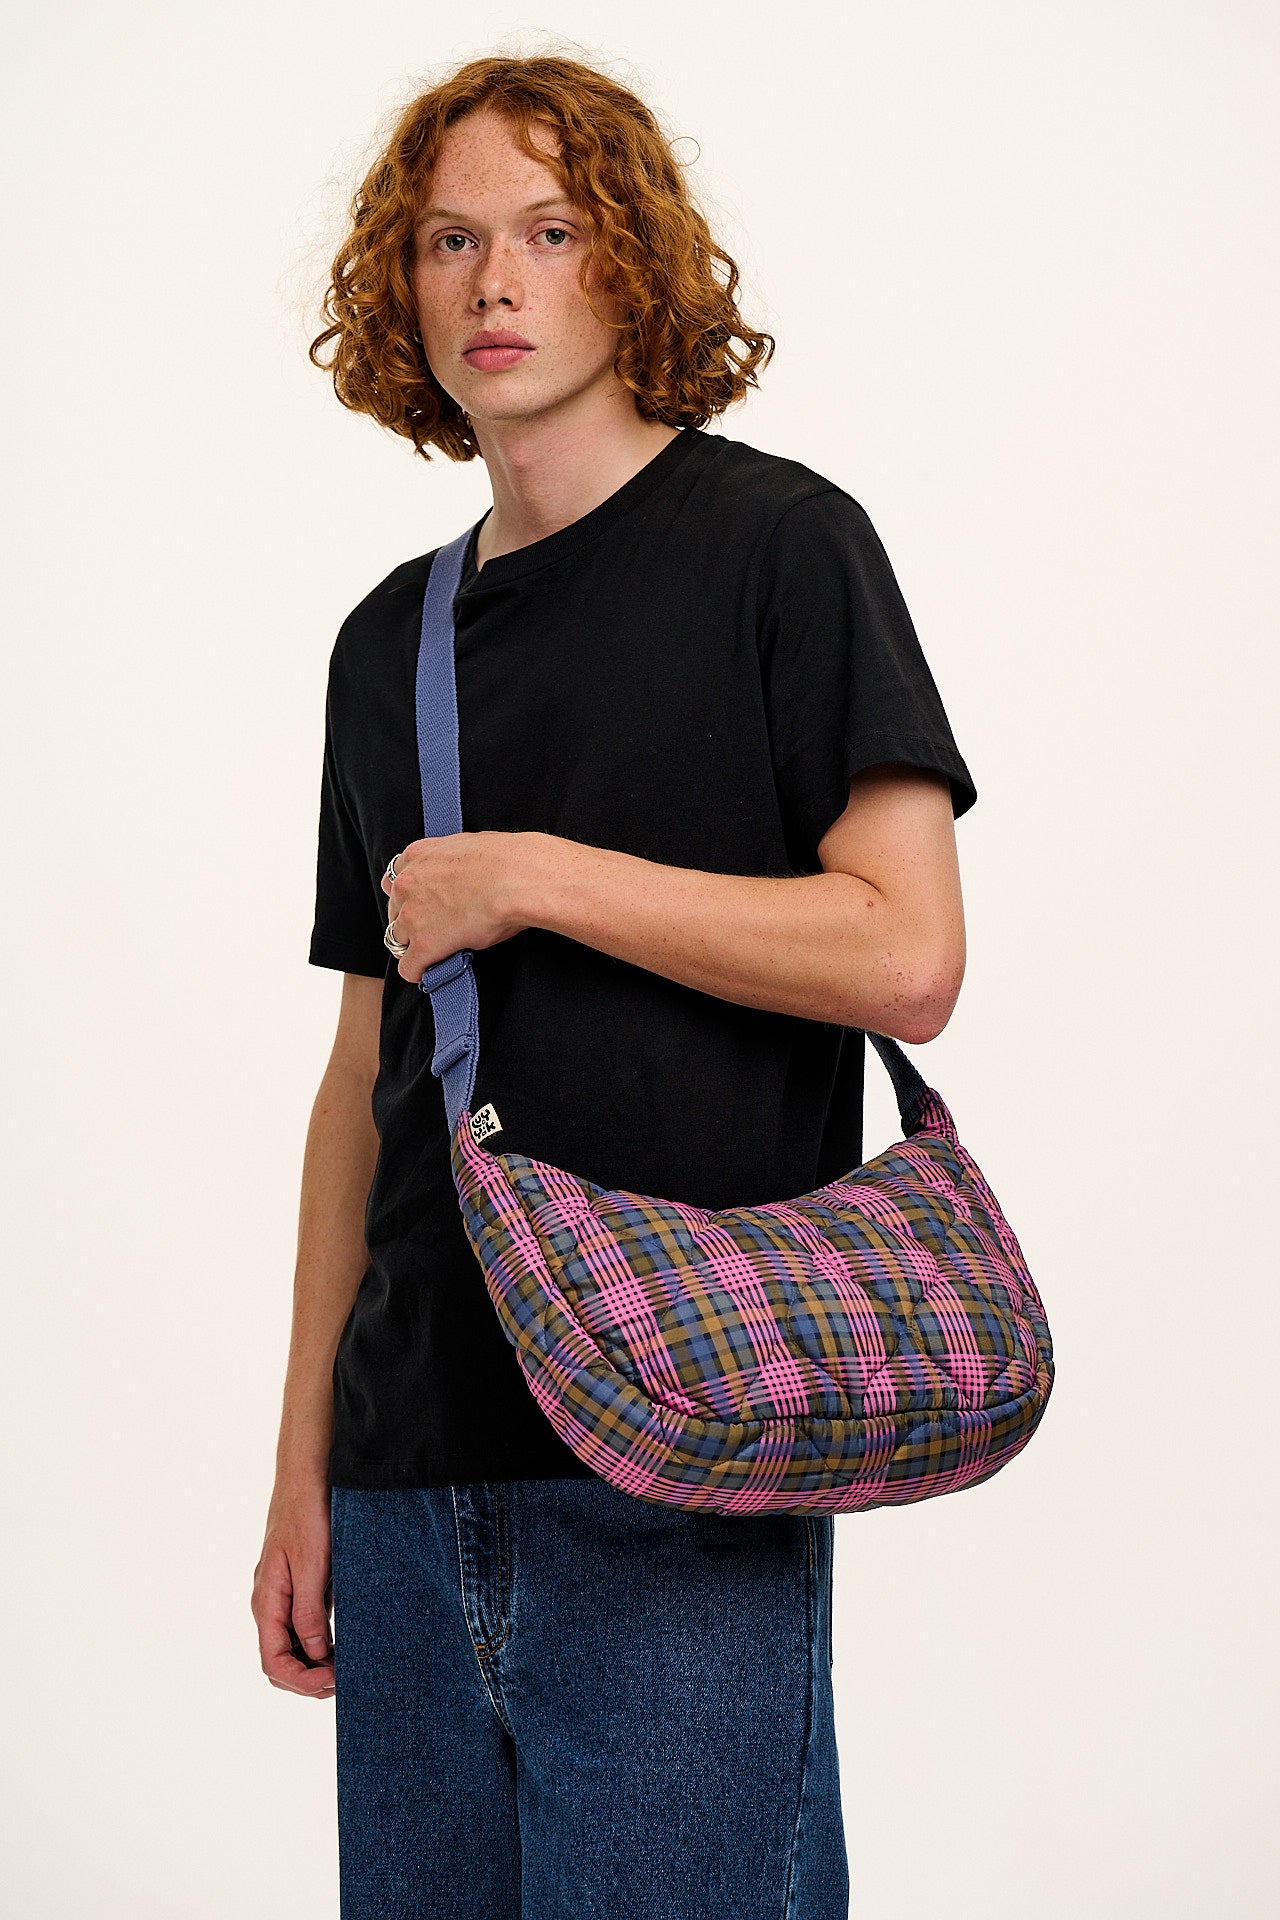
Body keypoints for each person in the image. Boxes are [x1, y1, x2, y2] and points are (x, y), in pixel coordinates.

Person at [251, 49, 976, 1920]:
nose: (495, 281)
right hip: (411, 1472)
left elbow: (906, 954)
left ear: (631, 261)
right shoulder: (387, 644)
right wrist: (304, 1467)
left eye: (552, 231)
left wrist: (540, 880)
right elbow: (361, 1078)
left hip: (682, 1438)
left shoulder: (781, 548)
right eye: (450, 240)